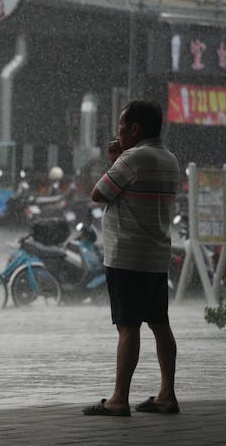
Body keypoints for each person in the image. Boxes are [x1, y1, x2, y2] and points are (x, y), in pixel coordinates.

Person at [82, 100, 180, 417]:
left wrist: (117, 158)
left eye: (122, 126)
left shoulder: (133, 158)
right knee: (160, 324)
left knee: (128, 326)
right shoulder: (169, 159)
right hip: (156, 255)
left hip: (127, 255)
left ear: (135, 128)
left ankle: (118, 399)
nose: (118, 132)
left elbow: (99, 193)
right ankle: (167, 394)